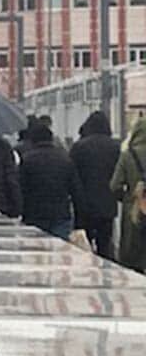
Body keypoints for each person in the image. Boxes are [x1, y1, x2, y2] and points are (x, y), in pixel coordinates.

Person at [19, 119, 83, 239]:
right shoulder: (65, 159)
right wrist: (79, 219)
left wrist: (21, 211)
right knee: (59, 247)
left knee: (36, 248)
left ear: (33, 140)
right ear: (51, 139)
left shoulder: (28, 160)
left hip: (34, 215)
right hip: (60, 215)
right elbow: (76, 190)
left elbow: (21, 188)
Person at [71, 111, 121, 259]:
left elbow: (72, 175)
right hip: (107, 203)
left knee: (84, 244)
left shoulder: (79, 147)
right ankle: (105, 268)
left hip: (84, 203)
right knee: (104, 243)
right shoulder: (115, 147)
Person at [111, 117, 146, 271]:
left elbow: (115, 185)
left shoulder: (127, 155)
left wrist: (128, 198)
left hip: (134, 208)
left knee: (132, 255)